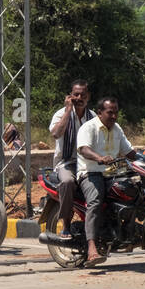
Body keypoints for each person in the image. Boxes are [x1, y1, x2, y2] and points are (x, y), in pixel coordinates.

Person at [76, 96, 138, 267]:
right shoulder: (88, 127)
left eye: (116, 112)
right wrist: (100, 158)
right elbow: (83, 149)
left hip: (113, 174)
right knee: (95, 201)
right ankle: (91, 248)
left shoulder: (117, 129)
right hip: (90, 172)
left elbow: (129, 151)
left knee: (134, 190)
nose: (114, 116)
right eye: (110, 112)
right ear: (99, 113)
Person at [48, 79, 95, 237]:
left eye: (83, 95)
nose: (80, 98)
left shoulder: (93, 117)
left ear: (88, 96)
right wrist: (68, 110)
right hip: (66, 163)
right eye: (76, 95)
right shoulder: (61, 114)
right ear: (70, 96)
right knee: (68, 182)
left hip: (88, 163)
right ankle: (66, 225)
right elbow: (56, 133)